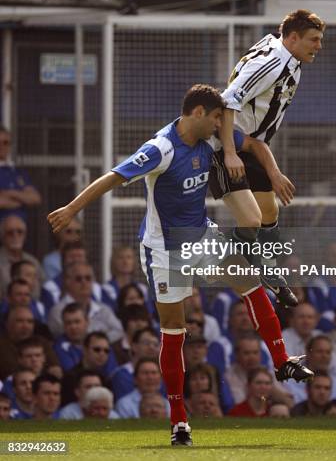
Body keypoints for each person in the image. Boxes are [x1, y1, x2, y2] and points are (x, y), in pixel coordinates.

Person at [48, 84, 313, 446]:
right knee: (175, 330)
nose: (224, 124)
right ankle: (179, 422)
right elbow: (113, 177)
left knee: (249, 282)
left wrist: (274, 173)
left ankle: (282, 360)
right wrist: (71, 209)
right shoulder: (161, 148)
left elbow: (256, 145)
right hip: (165, 252)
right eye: (219, 117)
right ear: (199, 113)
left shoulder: (214, 138)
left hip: (201, 237)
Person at [210, 9, 325, 303]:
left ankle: (267, 269)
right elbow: (227, 101)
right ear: (294, 38)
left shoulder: (290, 55)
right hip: (227, 143)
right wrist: (232, 153)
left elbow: (275, 37)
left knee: (270, 214)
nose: (319, 46)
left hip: (253, 144)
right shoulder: (273, 63)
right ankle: (238, 259)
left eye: (320, 40)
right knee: (251, 220)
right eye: (314, 39)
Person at [0, 127, 41, 223]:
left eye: (5, 142)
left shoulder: (17, 172)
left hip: (20, 232)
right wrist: (22, 200)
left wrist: (9, 193)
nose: (2, 146)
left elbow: (35, 198)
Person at [0, 216, 44, 300]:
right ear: (2, 237)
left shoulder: (33, 261)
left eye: (19, 232)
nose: (15, 235)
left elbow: (43, 288)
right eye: (10, 232)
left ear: (25, 235)